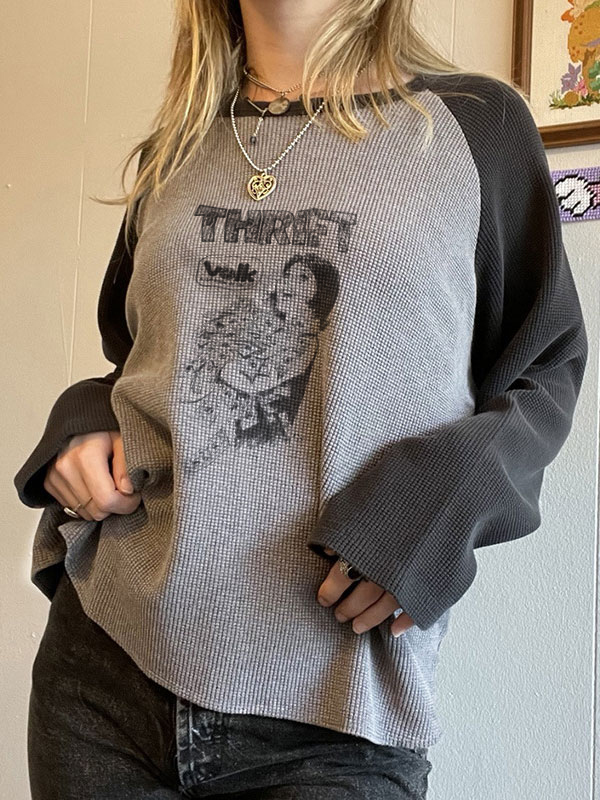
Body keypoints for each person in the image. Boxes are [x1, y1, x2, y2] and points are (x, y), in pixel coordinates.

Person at [14, 0, 589, 798]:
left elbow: (544, 368)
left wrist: (430, 509)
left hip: (335, 705)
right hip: (105, 673)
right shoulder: (175, 148)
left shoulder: (472, 124)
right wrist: (79, 426)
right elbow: (138, 363)